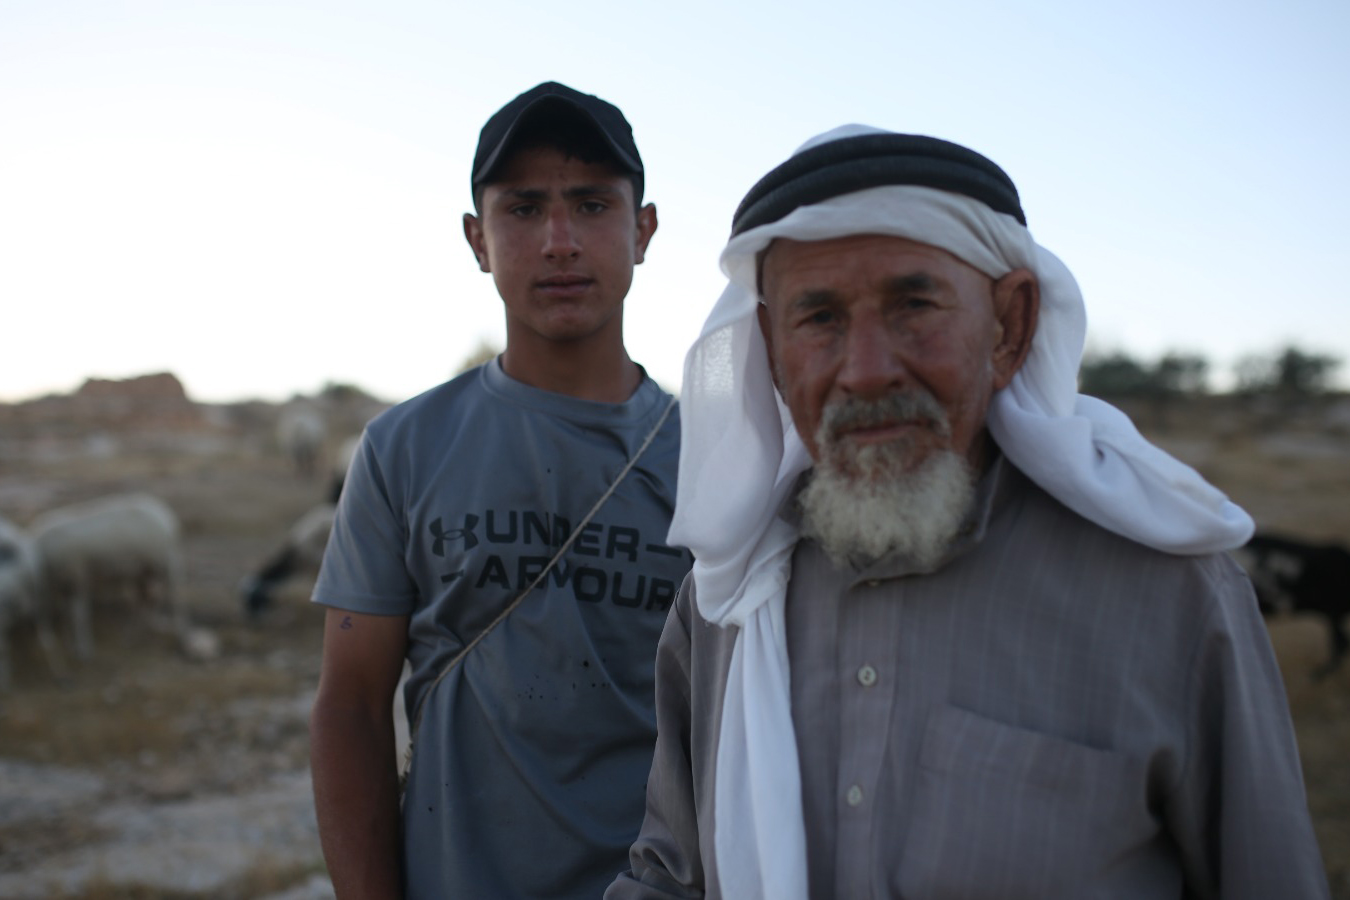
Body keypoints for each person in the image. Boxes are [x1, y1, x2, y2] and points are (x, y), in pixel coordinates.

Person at [607, 127, 1331, 899]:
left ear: (1009, 326)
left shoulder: (1174, 597)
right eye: (818, 318)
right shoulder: (727, 601)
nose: (867, 371)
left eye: (914, 305)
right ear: (772, 353)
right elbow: (672, 877)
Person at [309, 81, 692, 899]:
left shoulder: (711, 459)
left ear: (643, 230)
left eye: (592, 205)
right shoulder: (403, 448)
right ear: (478, 239)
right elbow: (351, 706)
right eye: (523, 209)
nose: (559, 241)